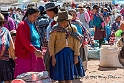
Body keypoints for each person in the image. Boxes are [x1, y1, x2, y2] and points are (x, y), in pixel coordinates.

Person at [49, 9, 85, 83]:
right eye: (61, 22)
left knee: (69, 77)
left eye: (65, 22)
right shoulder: (55, 30)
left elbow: (76, 43)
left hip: (70, 54)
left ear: (68, 21)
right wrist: (53, 57)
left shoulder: (73, 29)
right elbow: (51, 43)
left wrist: (76, 55)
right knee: (61, 77)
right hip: (59, 54)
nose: (63, 24)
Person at [14, 7, 45, 78]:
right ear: (28, 15)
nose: (36, 18)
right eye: (34, 16)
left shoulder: (33, 24)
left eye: (37, 16)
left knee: (37, 77)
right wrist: (34, 50)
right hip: (27, 54)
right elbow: (25, 41)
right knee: (26, 76)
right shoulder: (22, 25)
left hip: (35, 52)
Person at [0, 13, 15, 83]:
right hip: (4, 61)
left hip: (3, 61)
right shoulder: (5, 31)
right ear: (2, 23)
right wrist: (14, 57)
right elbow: (12, 47)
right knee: (7, 81)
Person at [44, 2, 58, 72]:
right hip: (51, 44)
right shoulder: (52, 20)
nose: (47, 14)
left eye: (47, 12)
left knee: (48, 62)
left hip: (53, 45)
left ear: (51, 12)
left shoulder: (55, 21)